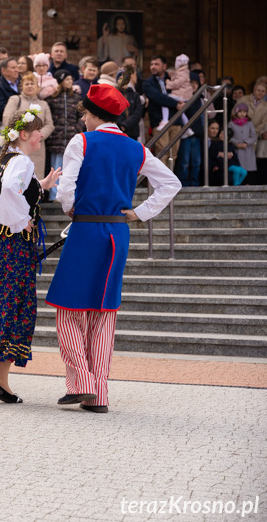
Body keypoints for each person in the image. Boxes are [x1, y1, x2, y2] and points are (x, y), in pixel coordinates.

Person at [46, 83, 180, 413]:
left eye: (85, 115)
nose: (83, 121)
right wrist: (140, 213)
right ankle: (99, 394)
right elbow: (171, 183)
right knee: (104, 312)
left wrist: (69, 208)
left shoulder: (83, 141)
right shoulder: (137, 148)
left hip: (86, 230)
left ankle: (82, 384)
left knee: (67, 309)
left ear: (92, 114)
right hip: (118, 233)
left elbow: (66, 188)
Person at [0, 107, 61, 404]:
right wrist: (21, 222)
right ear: (26, 135)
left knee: (17, 306)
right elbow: (8, 192)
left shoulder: (14, 160)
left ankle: (1, 377)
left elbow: (17, 190)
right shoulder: (21, 160)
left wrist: (41, 187)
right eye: (38, 133)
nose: (41, 137)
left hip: (8, 242)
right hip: (9, 241)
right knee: (6, 304)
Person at [3, 73, 54, 178]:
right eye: (27, 84)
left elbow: (49, 125)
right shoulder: (15, 100)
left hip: (37, 148)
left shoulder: (43, 104)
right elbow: (7, 120)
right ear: (22, 87)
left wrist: (37, 136)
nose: (30, 86)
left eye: (32, 83)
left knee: (35, 179)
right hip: (18, 145)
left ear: (38, 87)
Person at [46, 71, 84, 201]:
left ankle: (70, 194)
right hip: (56, 138)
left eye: (71, 79)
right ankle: (54, 194)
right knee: (56, 166)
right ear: (61, 81)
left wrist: (77, 128)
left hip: (72, 137)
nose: (70, 82)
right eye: (67, 79)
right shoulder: (52, 98)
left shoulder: (77, 97)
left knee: (71, 166)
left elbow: (81, 115)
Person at [144, 55, 186, 167]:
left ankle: (170, 182)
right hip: (159, 122)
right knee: (161, 154)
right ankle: (160, 184)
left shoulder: (174, 79)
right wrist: (175, 103)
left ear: (164, 66)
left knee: (174, 154)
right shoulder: (148, 83)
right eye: (151, 64)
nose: (153, 67)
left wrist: (182, 101)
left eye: (156, 64)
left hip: (175, 120)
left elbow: (183, 91)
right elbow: (157, 97)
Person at [241, 81, 267, 184]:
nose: (260, 93)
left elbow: (264, 122)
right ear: (254, 90)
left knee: (252, 160)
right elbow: (235, 114)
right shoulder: (244, 100)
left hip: (255, 135)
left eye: (263, 91)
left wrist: (253, 132)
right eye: (258, 90)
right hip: (241, 132)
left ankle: (250, 182)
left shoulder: (265, 105)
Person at [206, 122, 245, 186]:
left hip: (231, 164)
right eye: (221, 133)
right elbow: (212, 155)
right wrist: (215, 164)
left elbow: (235, 157)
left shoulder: (230, 146)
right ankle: (235, 185)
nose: (222, 135)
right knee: (237, 170)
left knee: (244, 172)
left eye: (224, 135)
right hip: (222, 164)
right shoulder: (215, 144)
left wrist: (237, 164)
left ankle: (237, 184)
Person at [229, 103, 258, 183]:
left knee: (248, 168)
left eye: (244, 112)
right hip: (237, 149)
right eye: (240, 111)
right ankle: (238, 183)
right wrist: (237, 143)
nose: (242, 114)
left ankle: (247, 183)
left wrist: (246, 143)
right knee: (239, 167)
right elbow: (228, 136)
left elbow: (253, 136)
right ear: (236, 112)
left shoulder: (249, 123)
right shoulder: (231, 124)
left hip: (247, 149)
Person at [116, 66, 144, 141]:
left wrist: (126, 125)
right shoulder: (114, 95)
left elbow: (138, 112)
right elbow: (114, 111)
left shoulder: (135, 95)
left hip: (133, 132)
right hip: (118, 132)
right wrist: (120, 125)